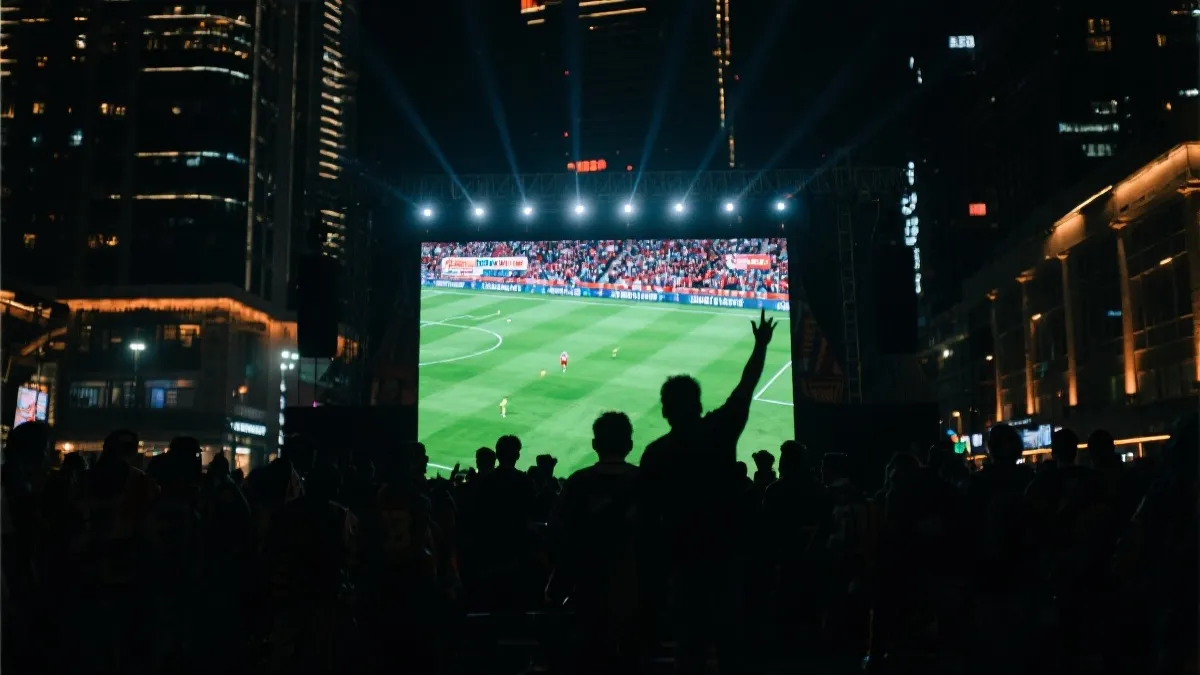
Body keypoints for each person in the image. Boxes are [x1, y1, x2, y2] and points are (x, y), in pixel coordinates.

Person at [639, 307, 777, 674]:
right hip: (726, 553)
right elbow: (745, 389)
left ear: (666, 411)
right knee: (731, 645)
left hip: (683, 561)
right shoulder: (719, 430)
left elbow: (646, 520)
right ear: (698, 405)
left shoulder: (655, 454)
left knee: (690, 647)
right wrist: (760, 345)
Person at [548, 412, 647, 674]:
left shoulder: (577, 483)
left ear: (595, 444)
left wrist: (558, 585)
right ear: (629, 445)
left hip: (588, 591)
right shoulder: (646, 482)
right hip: (636, 593)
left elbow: (561, 538)